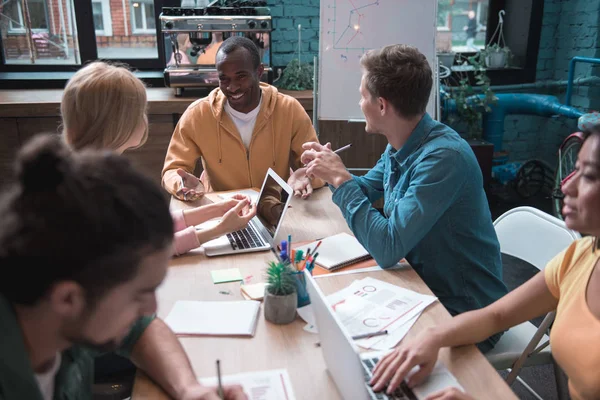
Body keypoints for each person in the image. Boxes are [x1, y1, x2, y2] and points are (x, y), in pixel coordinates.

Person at [0, 134, 247, 400]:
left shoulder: (61, 310)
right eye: (140, 294)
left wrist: (190, 389)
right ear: (68, 298)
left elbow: (141, 329)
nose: (152, 308)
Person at [301, 44, 508, 352]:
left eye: (362, 96)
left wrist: (340, 178)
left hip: (464, 311)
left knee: (346, 344)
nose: (359, 103)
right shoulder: (404, 142)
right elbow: (368, 187)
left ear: (382, 106)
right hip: (419, 286)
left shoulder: (443, 159)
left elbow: (387, 247)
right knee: (328, 319)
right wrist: (331, 170)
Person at [369, 126, 600, 400]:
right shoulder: (581, 255)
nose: (566, 185)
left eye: (589, 175)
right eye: (574, 169)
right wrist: (433, 336)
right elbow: (497, 316)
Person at [61, 61, 256, 257]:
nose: (144, 118)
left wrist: (217, 210)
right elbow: (145, 249)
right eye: (139, 111)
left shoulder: (85, 173)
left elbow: (146, 228)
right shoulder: (96, 190)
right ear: (118, 123)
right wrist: (219, 229)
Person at [161, 36, 324, 201]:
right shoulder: (198, 114)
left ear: (259, 72)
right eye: (224, 79)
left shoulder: (289, 109)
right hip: (222, 210)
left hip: (274, 207)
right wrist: (180, 183)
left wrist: (308, 176)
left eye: (241, 77)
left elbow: (316, 165)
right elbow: (173, 169)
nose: (232, 87)